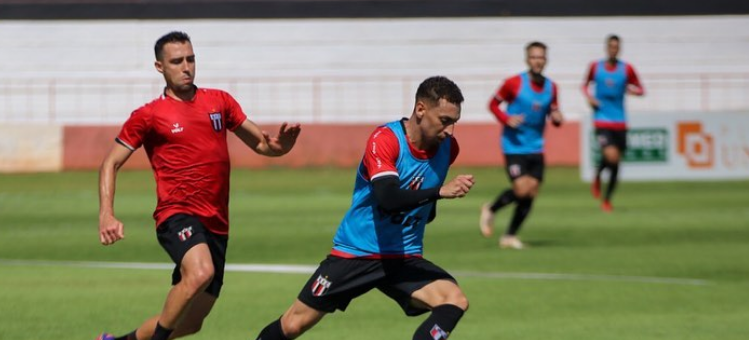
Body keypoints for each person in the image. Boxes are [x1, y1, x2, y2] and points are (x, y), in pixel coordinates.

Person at [95, 31, 301, 340]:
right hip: (177, 214)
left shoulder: (219, 101)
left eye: (190, 59)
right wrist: (106, 214)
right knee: (200, 272)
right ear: (159, 67)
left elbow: (262, 145)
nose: (186, 67)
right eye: (176, 61)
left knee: (190, 323)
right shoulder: (149, 115)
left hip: (217, 222)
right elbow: (110, 163)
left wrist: (282, 146)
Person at [254, 76, 475, 340]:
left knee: (454, 300)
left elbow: (425, 207)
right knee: (292, 325)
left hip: (402, 257)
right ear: (420, 109)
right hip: (356, 252)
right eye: (444, 121)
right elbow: (388, 199)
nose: (450, 131)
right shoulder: (385, 140)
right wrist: (439, 193)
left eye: (455, 123)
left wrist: (431, 202)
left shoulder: (448, 148)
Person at [478, 41, 564, 249]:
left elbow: (554, 112)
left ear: (546, 60)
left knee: (531, 192)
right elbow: (493, 104)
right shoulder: (513, 83)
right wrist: (506, 118)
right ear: (527, 59)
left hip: (536, 146)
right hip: (513, 145)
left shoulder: (551, 87)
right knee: (521, 188)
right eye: (534, 57)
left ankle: (509, 236)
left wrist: (557, 117)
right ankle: (491, 208)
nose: (538, 61)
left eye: (541, 57)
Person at [582, 34, 644, 212]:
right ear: (606, 48)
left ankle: (607, 199)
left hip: (620, 121)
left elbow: (641, 89)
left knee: (615, 163)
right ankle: (598, 176)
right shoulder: (596, 67)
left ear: (619, 49)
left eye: (616, 47)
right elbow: (584, 85)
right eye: (611, 46)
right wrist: (590, 98)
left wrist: (632, 90)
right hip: (602, 119)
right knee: (611, 156)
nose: (613, 50)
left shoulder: (627, 69)